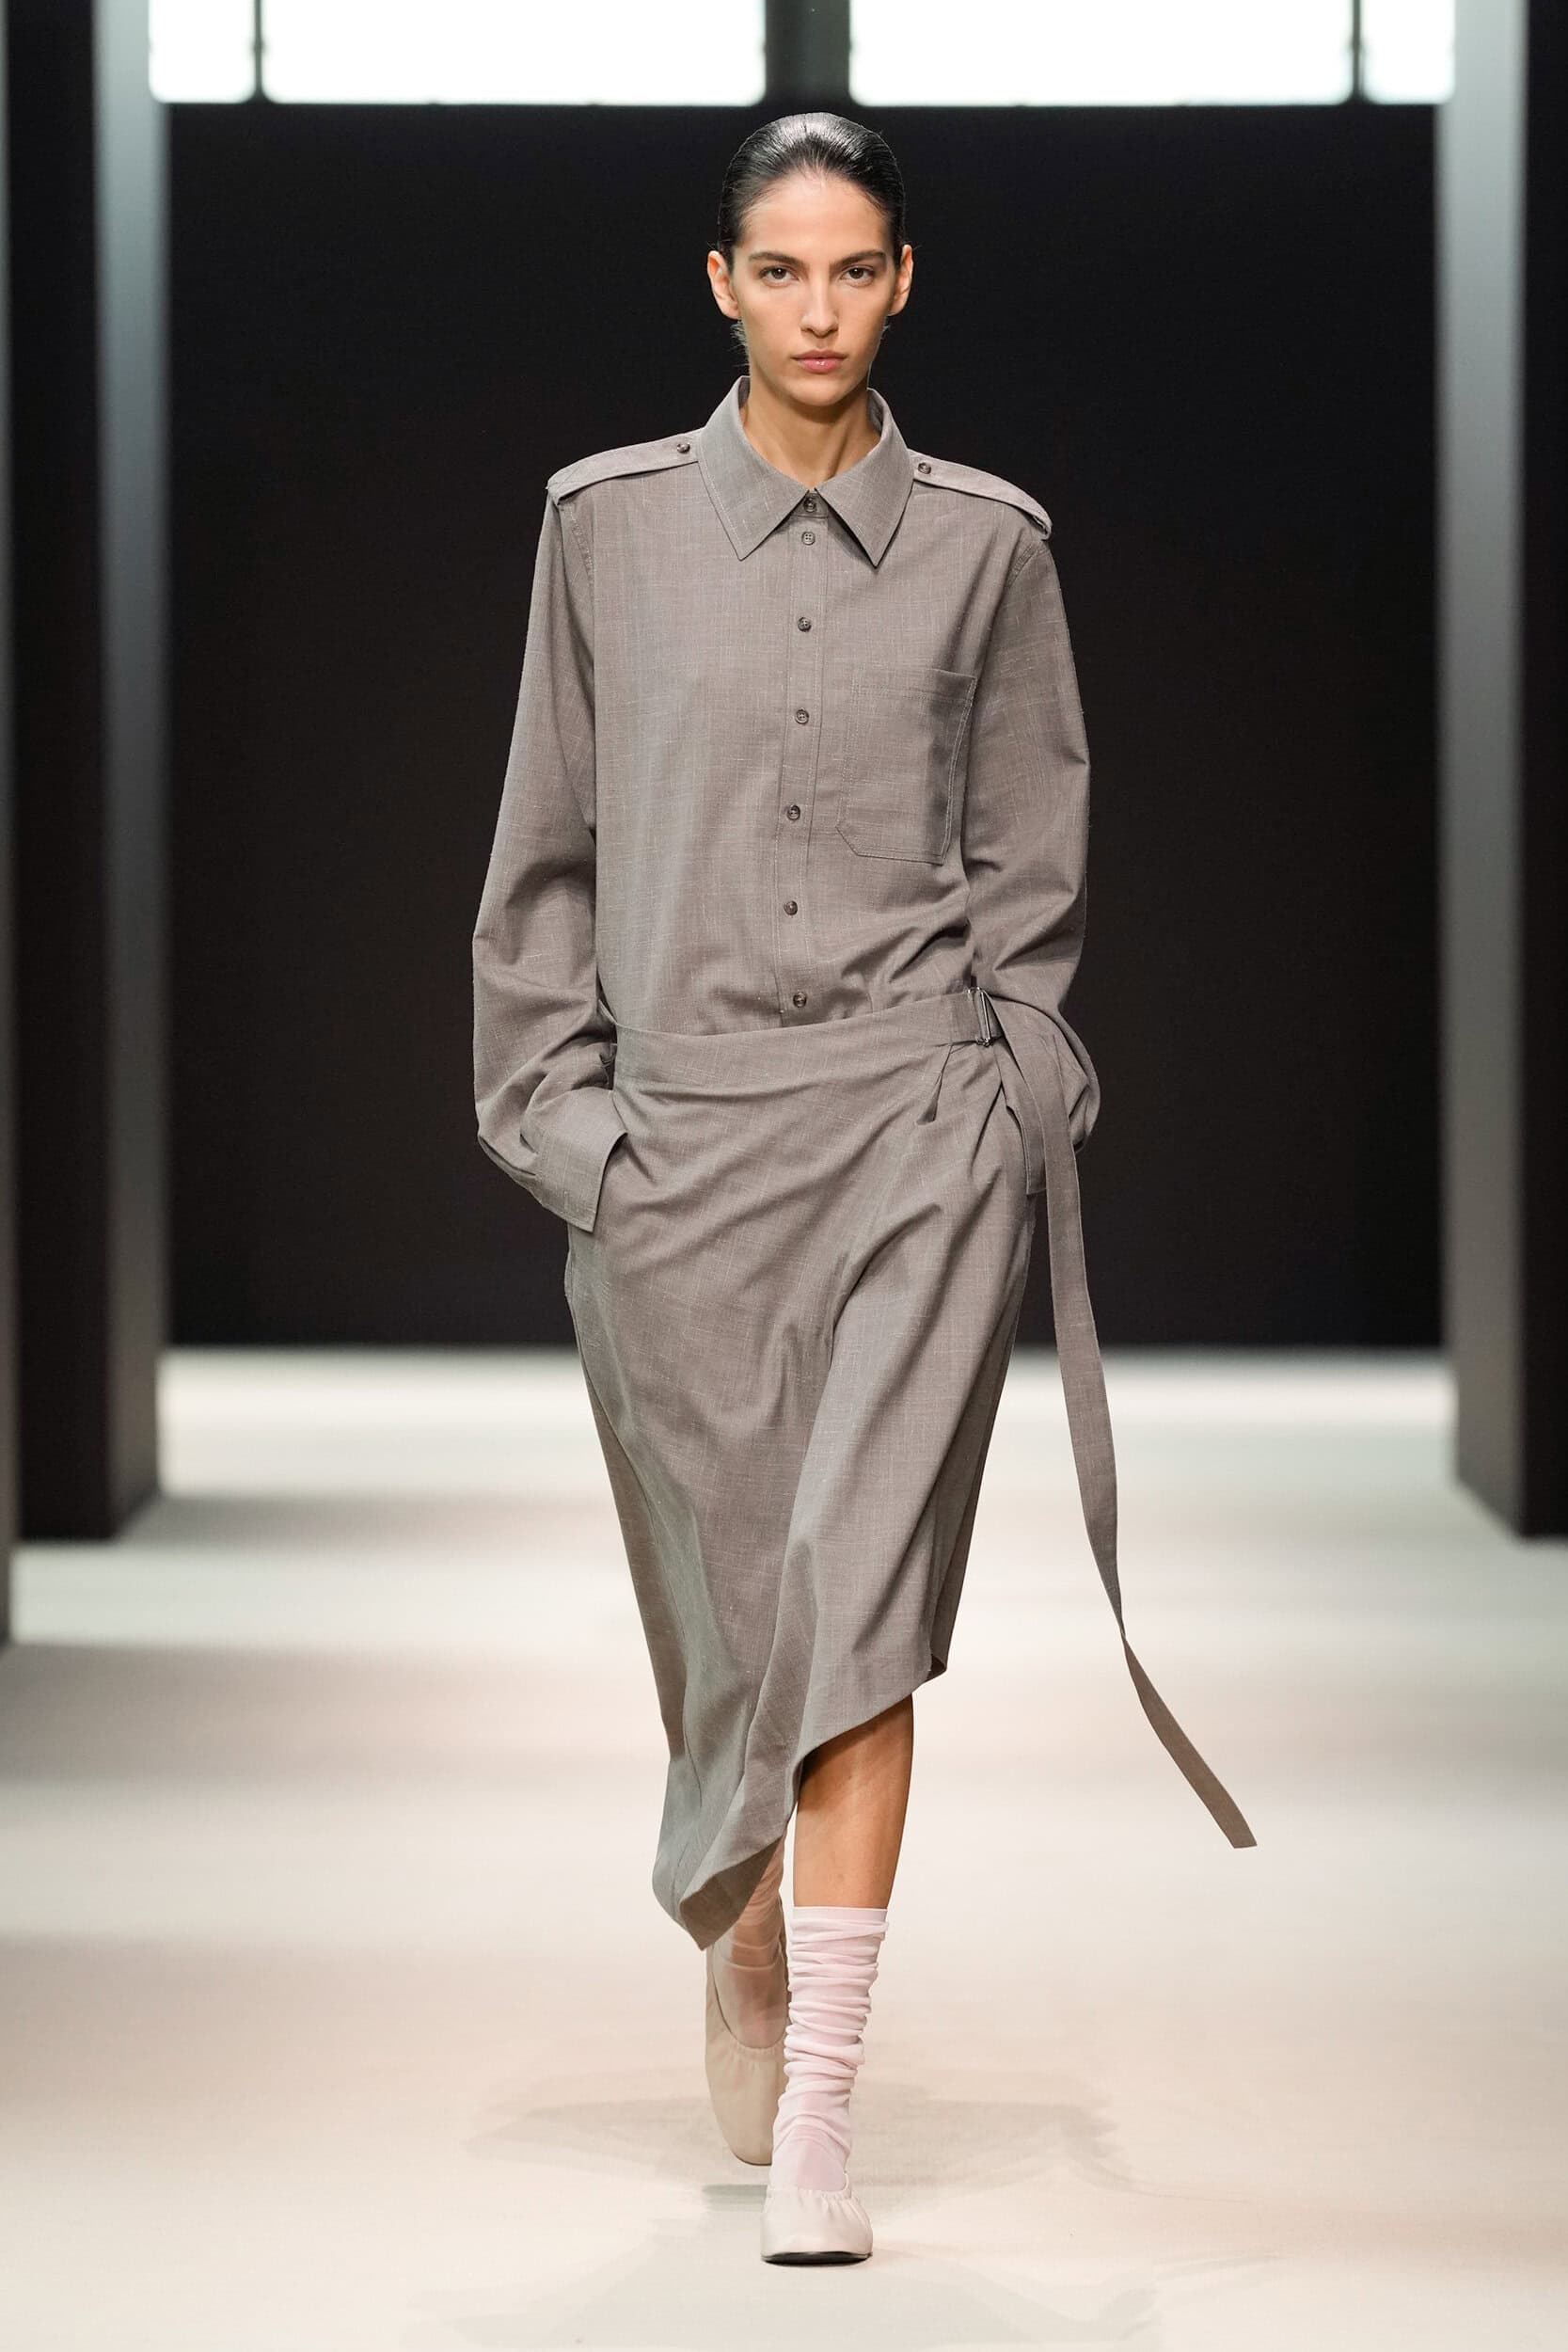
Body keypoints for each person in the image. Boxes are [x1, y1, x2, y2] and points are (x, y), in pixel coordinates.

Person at [472, 112, 1255, 2267]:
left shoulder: (991, 545)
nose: (818, 308)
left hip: (916, 1133)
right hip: (684, 1155)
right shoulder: (605, 528)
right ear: (721, 282)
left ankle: (822, 2109)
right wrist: (571, 1132)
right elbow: (543, 849)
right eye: (781, 269)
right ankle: (744, 1922)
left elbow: (1034, 854)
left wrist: (1011, 1098)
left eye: (854, 269)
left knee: (860, 1607)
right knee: (742, 1630)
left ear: (904, 280)